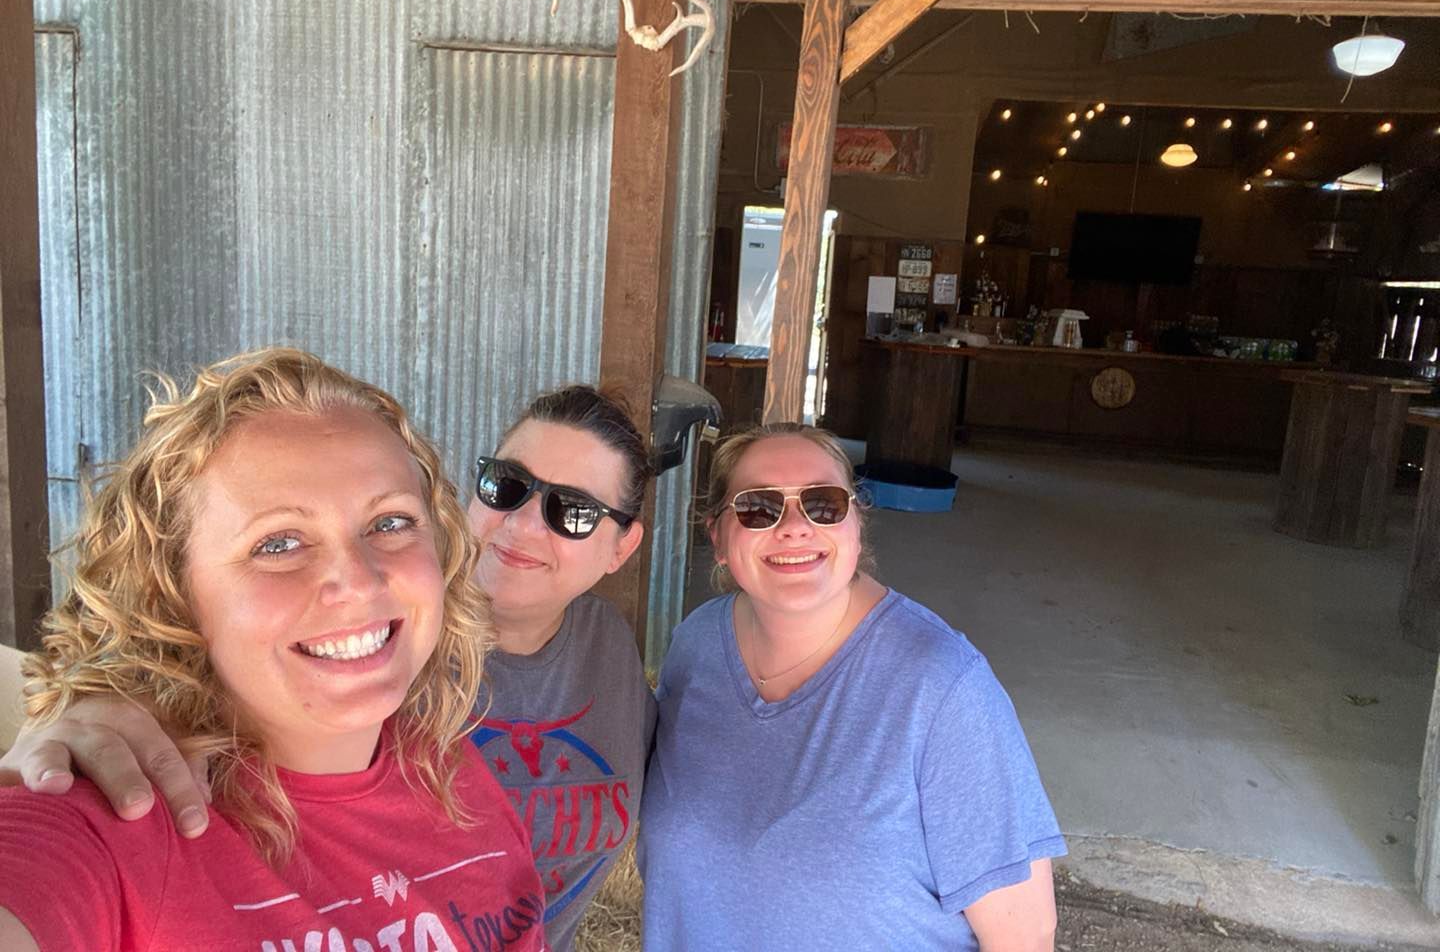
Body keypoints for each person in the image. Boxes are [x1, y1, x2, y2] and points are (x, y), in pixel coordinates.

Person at [0, 382, 654, 952]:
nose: (357, 581)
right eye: (278, 542)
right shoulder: (131, 807)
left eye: (573, 512)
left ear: (624, 546)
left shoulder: (458, 761)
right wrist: (102, 698)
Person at [639, 422, 1064, 951]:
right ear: (718, 539)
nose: (794, 526)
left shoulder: (944, 689)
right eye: (757, 508)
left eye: (822, 504)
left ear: (855, 526)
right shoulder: (696, 646)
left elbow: (1024, 936)